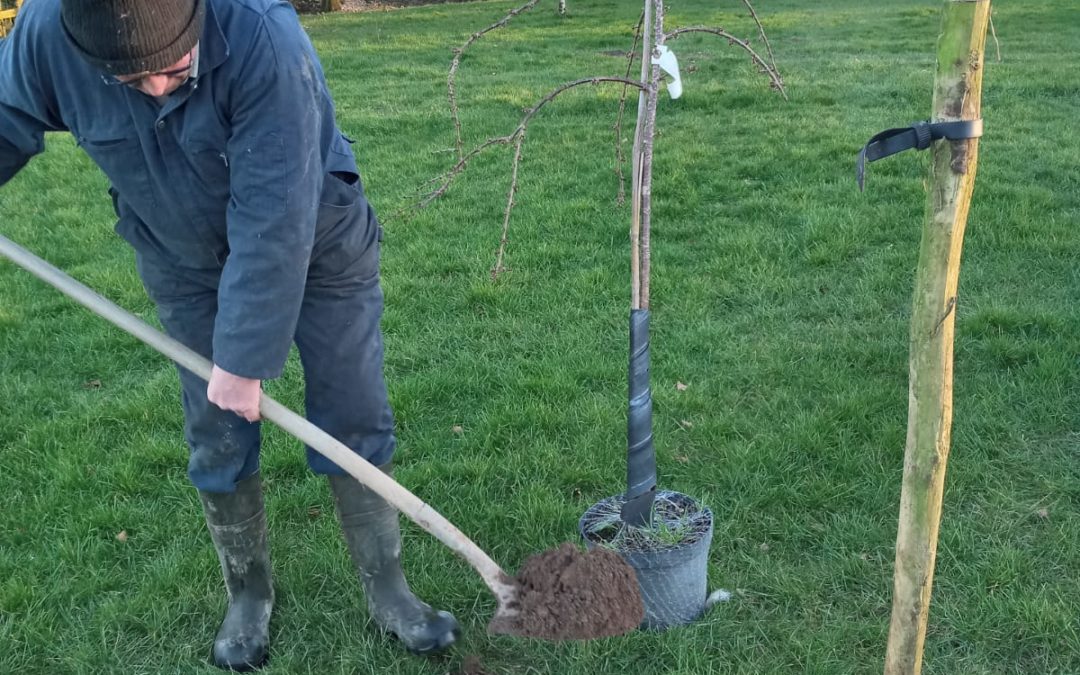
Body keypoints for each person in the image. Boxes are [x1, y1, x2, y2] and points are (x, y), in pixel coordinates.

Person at [0, 0, 459, 669]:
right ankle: (248, 592)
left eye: (173, 67)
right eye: (133, 81)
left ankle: (390, 589)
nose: (157, 87)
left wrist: (243, 360)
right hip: (180, 257)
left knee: (352, 407)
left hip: (318, 239)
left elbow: (274, 214)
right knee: (216, 428)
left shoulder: (261, 34)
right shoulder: (47, 34)